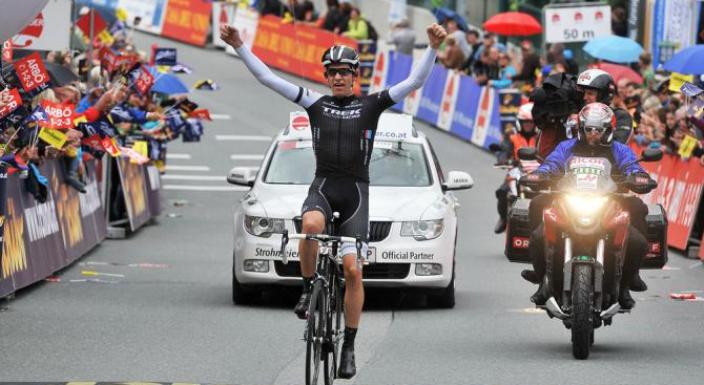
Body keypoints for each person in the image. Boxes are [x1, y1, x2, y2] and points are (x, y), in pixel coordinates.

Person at [220, 21, 447, 379]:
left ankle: (350, 345)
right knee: (309, 227)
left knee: (353, 270)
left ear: (355, 76)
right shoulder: (315, 103)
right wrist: (239, 46)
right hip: (323, 186)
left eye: (344, 72)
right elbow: (268, 79)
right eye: (332, 73)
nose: (338, 78)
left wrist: (432, 47)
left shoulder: (372, 105)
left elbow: (414, 83)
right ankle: (309, 287)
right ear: (326, 77)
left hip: (356, 191)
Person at [522, 103, 655, 309]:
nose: (593, 134)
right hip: (568, 198)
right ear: (581, 129)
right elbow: (552, 162)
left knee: (637, 231)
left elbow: (632, 165)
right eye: (589, 129)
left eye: (598, 130)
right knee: (538, 218)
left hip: (610, 201)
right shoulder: (567, 146)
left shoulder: (618, 149)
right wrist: (542, 173)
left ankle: (626, 284)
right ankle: (544, 281)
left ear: (608, 130)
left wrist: (638, 177)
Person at [494, 103, 538, 233]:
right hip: (516, 171)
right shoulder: (511, 135)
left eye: (531, 122)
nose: (528, 125)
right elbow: (504, 150)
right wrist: (503, 159)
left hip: (539, 171)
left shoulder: (542, 135)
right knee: (502, 191)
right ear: (520, 122)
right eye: (525, 122)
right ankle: (503, 218)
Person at [576, 69, 633, 144]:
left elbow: (618, 144)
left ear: (604, 96)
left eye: (590, 93)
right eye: (584, 93)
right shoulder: (578, 114)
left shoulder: (620, 116)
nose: (584, 97)